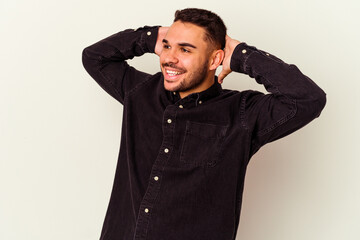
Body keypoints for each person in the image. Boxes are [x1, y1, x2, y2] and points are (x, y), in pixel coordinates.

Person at [82, 8, 326, 240]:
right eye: (167, 46)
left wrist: (242, 55)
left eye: (185, 50)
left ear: (215, 60)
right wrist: (150, 37)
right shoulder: (140, 92)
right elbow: (94, 57)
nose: (169, 58)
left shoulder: (242, 114)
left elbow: (308, 99)